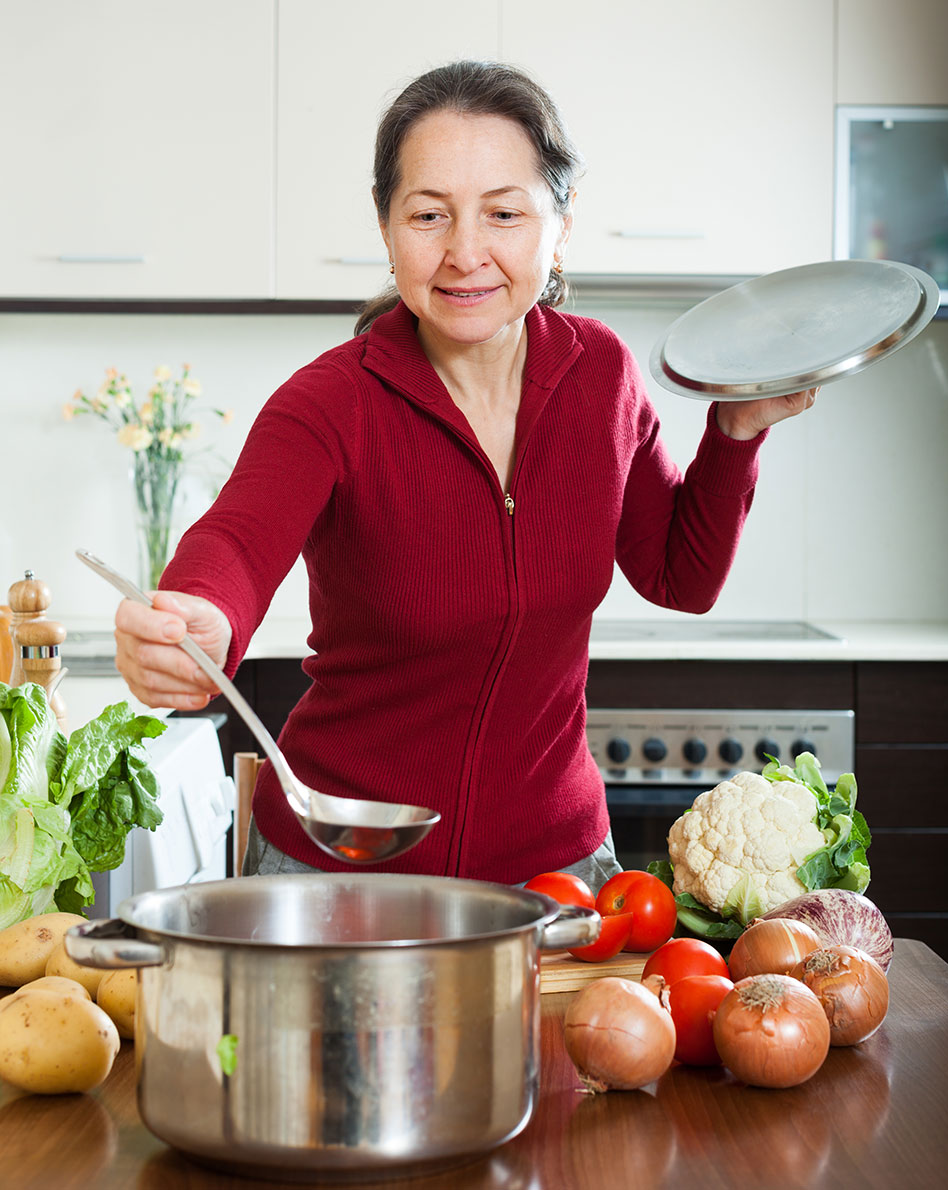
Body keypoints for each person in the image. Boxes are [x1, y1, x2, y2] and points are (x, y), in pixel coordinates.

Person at [113, 61, 816, 890]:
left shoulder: (602, 375)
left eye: (505, 214)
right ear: (386, 227)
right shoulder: (331, 400)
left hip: (557, 877)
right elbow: (235, 541)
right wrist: (198, 616)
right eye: (429, 215)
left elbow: (679, 576)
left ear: (561, 222)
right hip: (340, 868)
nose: (465, 254)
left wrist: (733, 435)